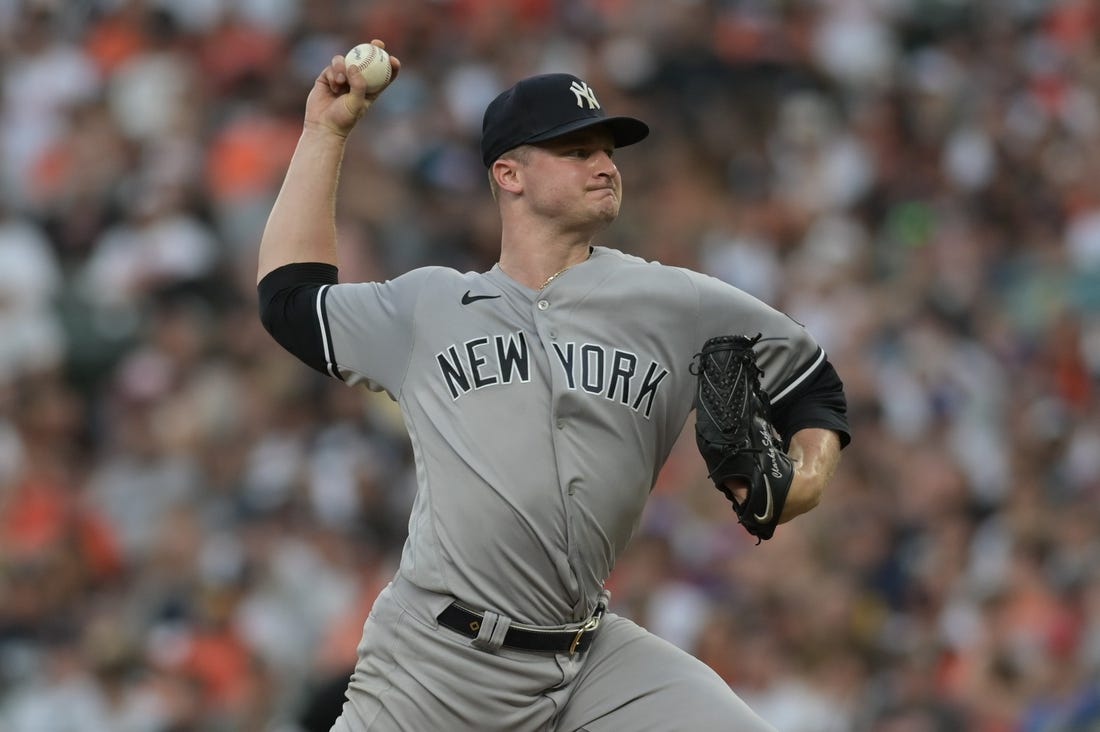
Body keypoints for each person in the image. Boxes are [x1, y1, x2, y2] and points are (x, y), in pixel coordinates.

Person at [257, 40, 850, 732]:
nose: (603, 164)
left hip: (589, 659)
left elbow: (813, 384)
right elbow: (289, 300)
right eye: (575, 151)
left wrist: (805, 478)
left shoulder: (675, 301)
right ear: (509, 174)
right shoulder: (429, 307)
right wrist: (324, 132)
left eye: (607, 149)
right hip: (435, 663)